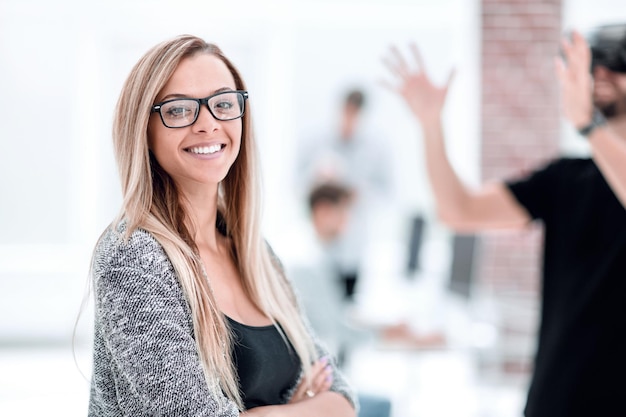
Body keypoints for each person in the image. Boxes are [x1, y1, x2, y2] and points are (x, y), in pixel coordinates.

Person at [87, 34, 357, 417]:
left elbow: (343, 397)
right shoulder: (133, 257)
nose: (208, 124)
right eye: (179, 110)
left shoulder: (253, 251)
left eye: (223, 104)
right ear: (143, 129)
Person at [382, 24, 626, 417]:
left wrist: (588, 127)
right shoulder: (567, 178)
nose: (600, 75)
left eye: (617, 62)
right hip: (556, 398)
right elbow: (458, 211)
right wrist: (431, 125)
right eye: (592, 64)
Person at [297, 88, 394, 302]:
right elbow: (297, 181)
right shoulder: (317, 142)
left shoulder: (375, 148)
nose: (348, 121)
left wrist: (359, 194)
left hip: (353, 248)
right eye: (345, 113)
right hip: (321, 245)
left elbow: (386, 192)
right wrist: (319, 180)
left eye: (354, 115)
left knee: (345, 305)